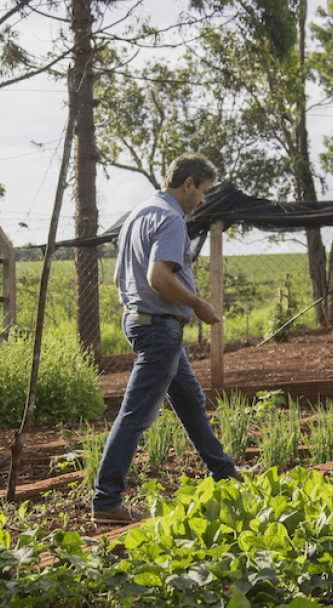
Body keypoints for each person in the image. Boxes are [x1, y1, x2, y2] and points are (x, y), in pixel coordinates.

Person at [92, 153, 240, 525]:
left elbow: (117, 279)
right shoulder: (172, 219)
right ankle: (106, 501)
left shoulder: (138, 214)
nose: (203, 200)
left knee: (189, 399)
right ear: (188, 184)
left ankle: (224, 473)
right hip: (159, 328)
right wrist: (199, 305)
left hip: (141, 321)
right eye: (203, 192)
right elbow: (159, 278)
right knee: (136, 414)